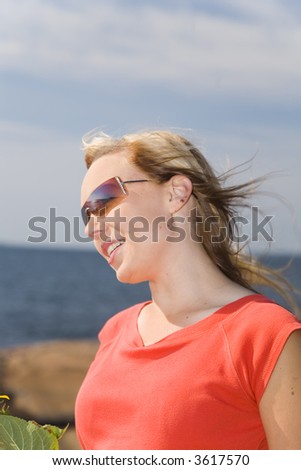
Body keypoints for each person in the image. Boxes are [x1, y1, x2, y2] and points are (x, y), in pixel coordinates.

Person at [75, 129, 301, 450]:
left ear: (177, 194)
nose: (90, 227)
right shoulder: (114, 331)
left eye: (104, 199)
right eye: (87, 214)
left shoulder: (267, 336)